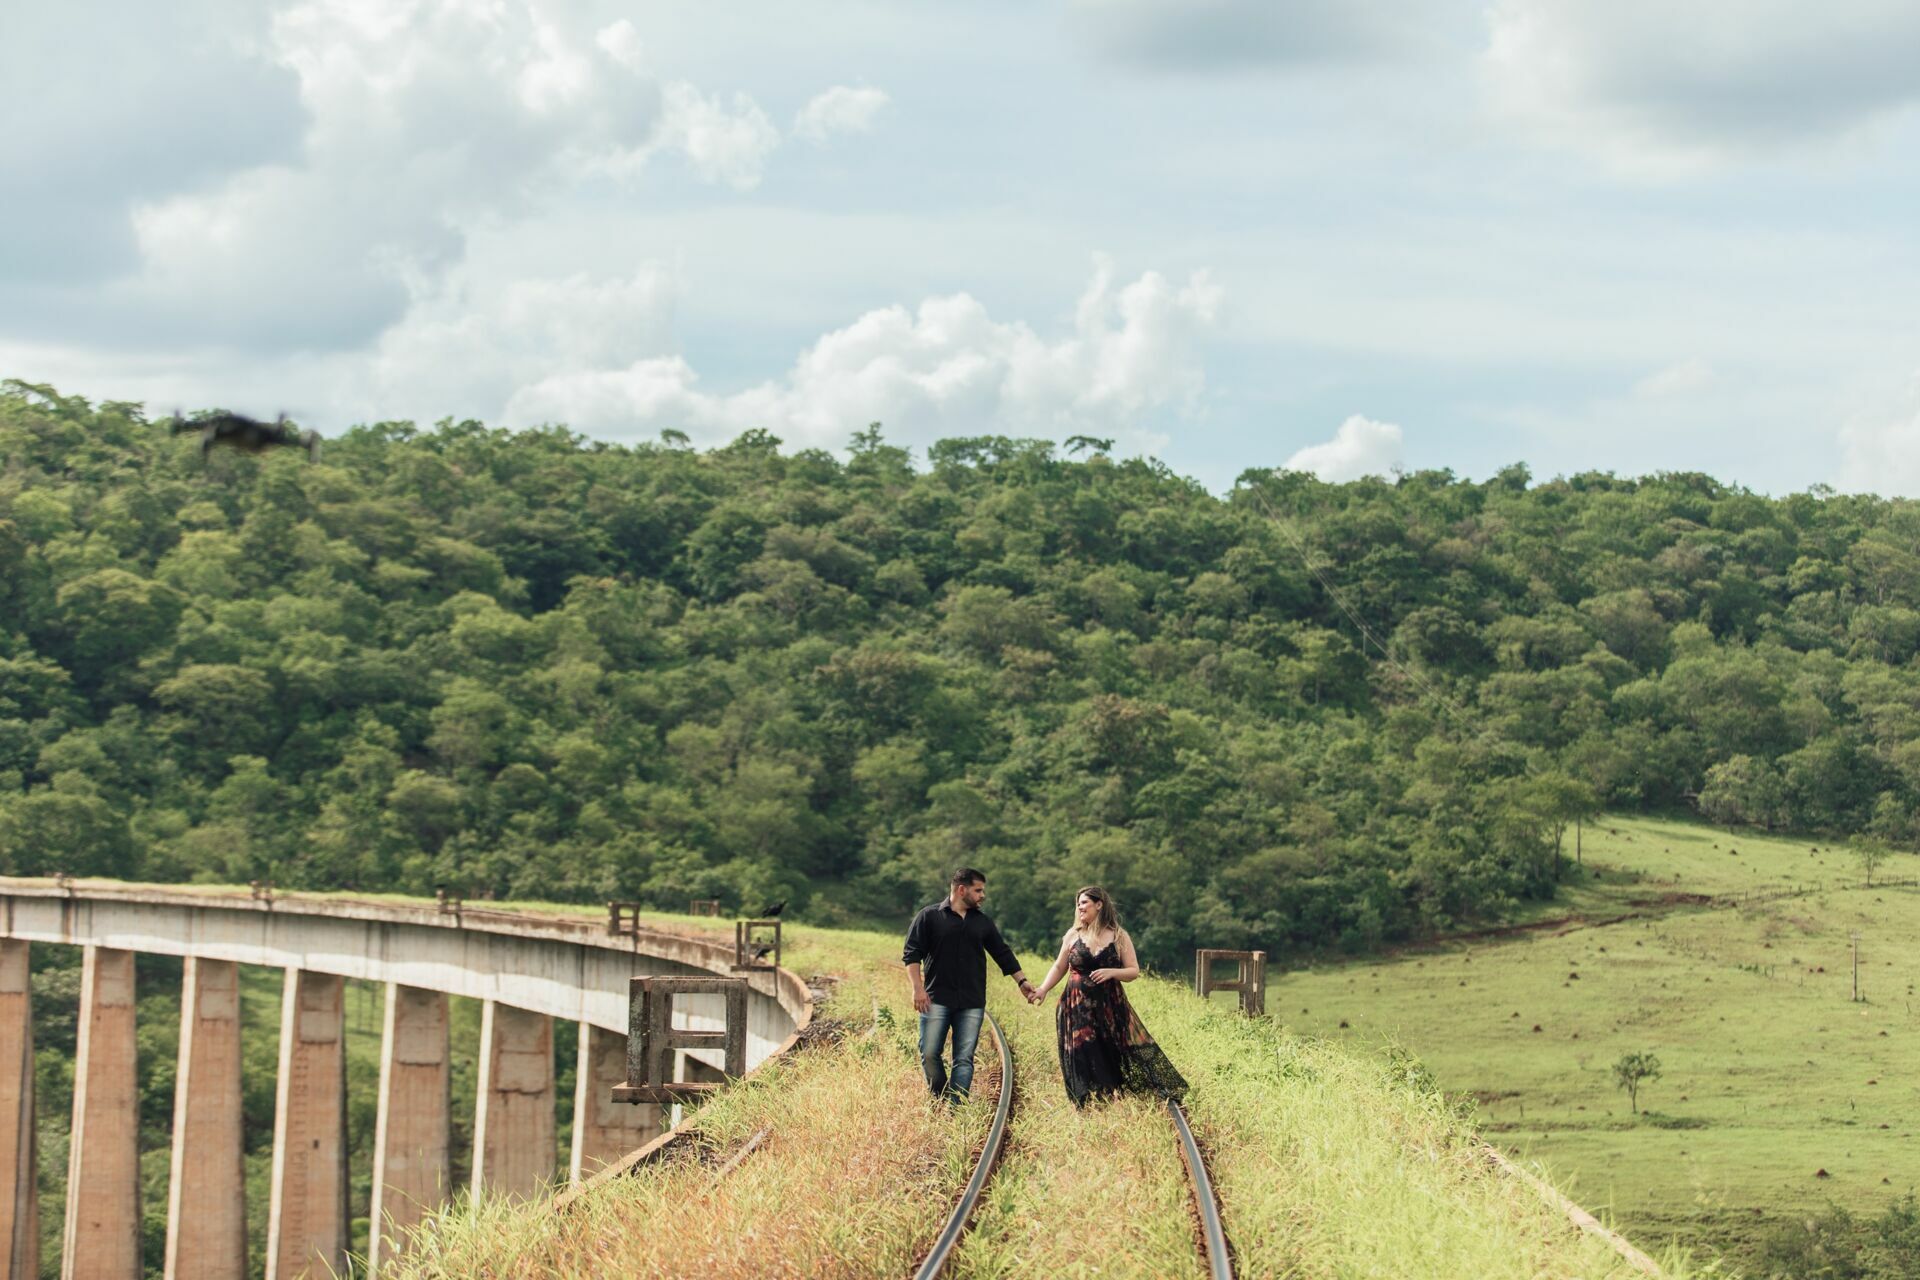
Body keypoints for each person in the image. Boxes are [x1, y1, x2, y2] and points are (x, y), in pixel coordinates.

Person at [1027, 886, 1188, 1107]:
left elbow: (1133, 971)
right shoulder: (1072, 935)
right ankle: (1086, 1102)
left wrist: (1112, 972)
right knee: (1082, 1049)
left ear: (1099, 904)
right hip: (1077, 1005)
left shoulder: (1119, 936)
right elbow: (1059, 966)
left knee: (1109, 1049)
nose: (1080, 907)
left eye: (1084, 902)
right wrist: (1043, 989)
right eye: (1078, 904)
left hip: (1109, 1005)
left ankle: (1113, 1097)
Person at [902, 867, 1035, 1101]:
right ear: (962, 890)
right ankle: (940, 1097)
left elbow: (1002, 953)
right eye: (978, 890)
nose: (983, 895)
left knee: (963, 1059)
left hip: (972, 1001)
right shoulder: (929, 916)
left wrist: (1021, 981)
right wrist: (917, 988)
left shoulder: (982, 922)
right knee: (929, 1053)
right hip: (935, 998)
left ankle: (956, 1108)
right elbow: (911, 954)